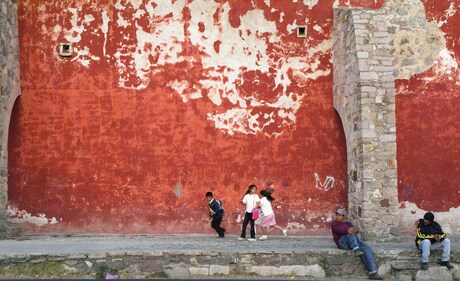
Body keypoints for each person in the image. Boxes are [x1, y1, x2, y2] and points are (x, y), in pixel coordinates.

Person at [331, 208, 383, 280]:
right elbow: (338, 230)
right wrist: (348, 231)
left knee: (367, 249)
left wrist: (355, 231)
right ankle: (355, 248)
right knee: (349, 234)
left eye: (339, 215)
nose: (337, 217)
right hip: (342, 243)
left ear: (343, 216)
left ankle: (373, 272)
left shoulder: (348, 223)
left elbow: (353, 230)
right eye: (336, 215)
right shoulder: (334, 223)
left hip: (352, 242)